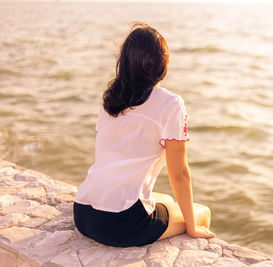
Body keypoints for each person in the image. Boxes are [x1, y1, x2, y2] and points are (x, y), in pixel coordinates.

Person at [73, 22, 215, 247]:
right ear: (163, 64)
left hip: (83, 213)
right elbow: (179, 173)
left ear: (125, 62)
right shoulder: (171, 104)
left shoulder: (111, 100)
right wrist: (192, 226)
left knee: (167, 200)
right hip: (121, 222)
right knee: (202, 212)